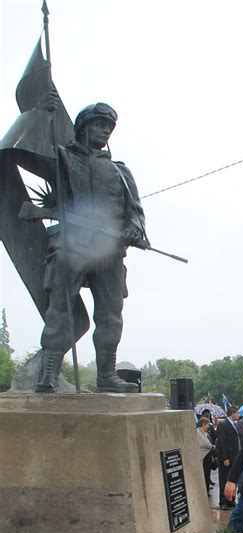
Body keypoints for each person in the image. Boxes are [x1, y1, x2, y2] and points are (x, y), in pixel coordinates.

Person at [33, 93, 148, 393]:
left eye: (108, 127)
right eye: (98, 124)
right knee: (60, 308)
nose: (104, 131)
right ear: (83, 127)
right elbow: (35, 151)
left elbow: (135, 212)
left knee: (110, 313)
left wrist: (136, 231)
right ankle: (49, 371)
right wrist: (42, 117)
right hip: (72, 246)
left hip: (110, 252)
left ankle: (106, 373)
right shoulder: (63, 157)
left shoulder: (120, 172)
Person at [217, 406, 241, 510]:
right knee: (224, 480)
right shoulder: (223, 424)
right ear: (232, 413)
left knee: (232, 479)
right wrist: (225, 458)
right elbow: (221, 443)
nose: (239, 415)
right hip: (227, 458)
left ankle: (231, 500)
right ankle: (224, 502)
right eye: (237, 413)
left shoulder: (234, 425)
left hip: (234, 457)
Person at [196, 417, 215, 494]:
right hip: (203, 458)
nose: (208, 426)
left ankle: (206, 490)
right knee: (205, 475)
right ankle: (205, 491)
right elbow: (208, 445)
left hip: (208, 457)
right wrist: (213, 446)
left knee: (207, 474)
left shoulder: (205, 433)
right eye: (207, 425)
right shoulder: (198, 433)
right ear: (203, 424)